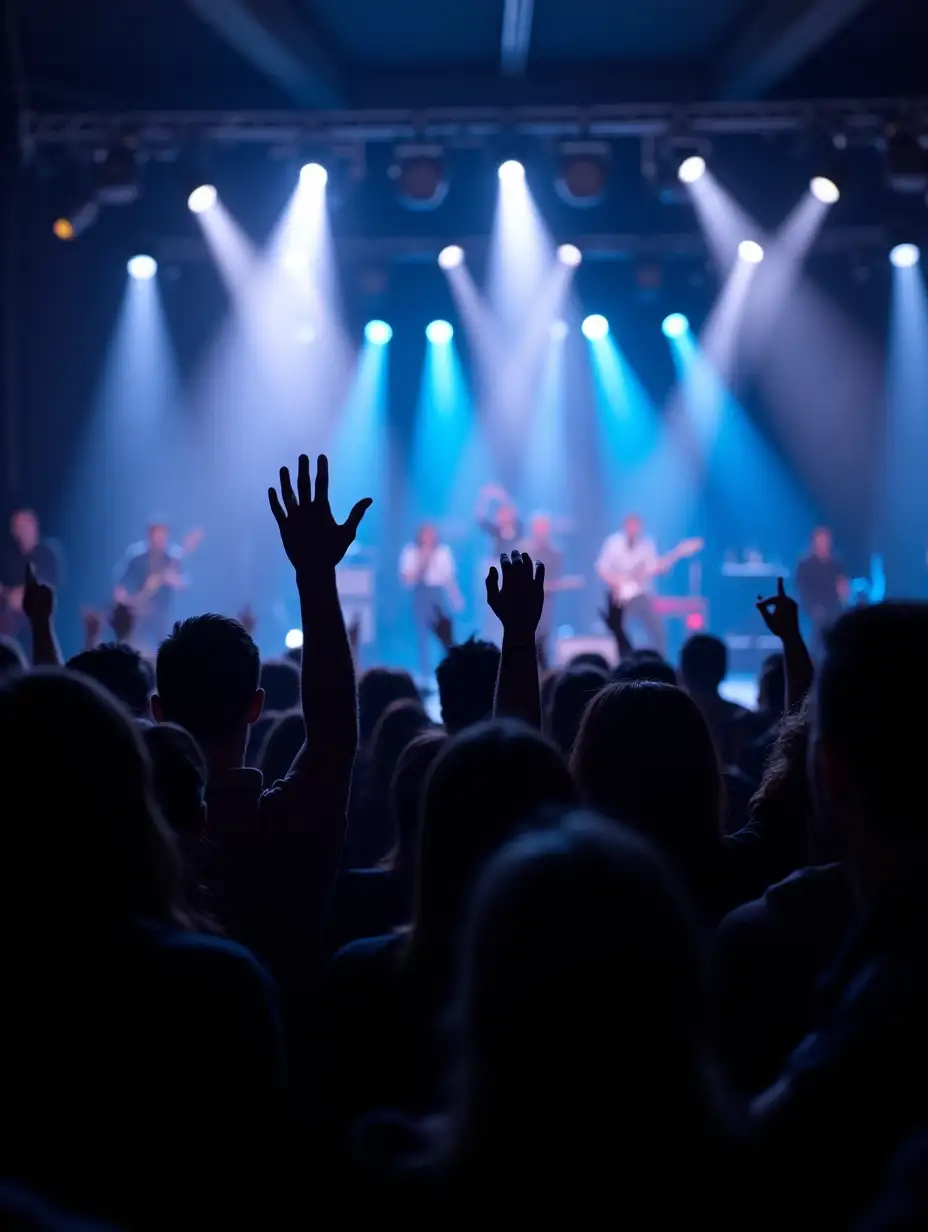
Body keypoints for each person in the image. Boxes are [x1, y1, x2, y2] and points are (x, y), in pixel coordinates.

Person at [595, 513, 667, 655]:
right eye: (630, 526)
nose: (633, 529)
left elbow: (652, 567)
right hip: (618, 596)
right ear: (625, 526)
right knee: (617, 629)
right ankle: (621, 660)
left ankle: (660, 659)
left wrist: (661, 567)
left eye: (636, 526)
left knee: (657, 630)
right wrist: (618, 583)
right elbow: (601, 569)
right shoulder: (613, 543)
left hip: (641, 594)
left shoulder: (647, 544)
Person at [113, 521, 188, 652]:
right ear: (149, 535)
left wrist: (168, 578)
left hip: (161, 613)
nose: (159, 540)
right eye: (156, 535)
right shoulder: (136, 556)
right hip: (138, 613)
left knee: (166, 645)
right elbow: (121, 584)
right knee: (131, 645)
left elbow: (183, 583)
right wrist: (128, 602)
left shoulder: (172, 557)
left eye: (163, 536)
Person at [399, 524, 462, 680]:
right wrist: (424, 558)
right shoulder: (411, 552)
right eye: (425, 534)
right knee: (422, 635)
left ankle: (449, 669)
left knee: (445, 632)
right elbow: (407, 578)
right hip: (421, 593)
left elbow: (449, 578)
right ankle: (425, 672)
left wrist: (456, 597)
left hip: (438, 593)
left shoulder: (443, 552)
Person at [1, 508, 61, 645]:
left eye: (25, 525)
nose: (22, 531)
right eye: (18, 527)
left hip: (40, 620)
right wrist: (9, 594)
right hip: (11, 625)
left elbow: (47, 586)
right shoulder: (7, 557)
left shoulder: (48, 553)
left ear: (35, 526)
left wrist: (20, 594)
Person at [521, 513, 564, 662]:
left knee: (542, 638)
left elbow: (557, 577)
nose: (541, 531)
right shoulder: (523, 549)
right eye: (538, 527)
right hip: (524, 601)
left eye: (544, 527)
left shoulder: (555, 552)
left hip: (546, 601)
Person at [795, 526, 847, 649]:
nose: (824, 544)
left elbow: (841, 583)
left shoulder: (836, 562)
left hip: (832, 604)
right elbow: (801, 588)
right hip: (812, 605)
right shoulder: (805, 564)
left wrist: (844, 595)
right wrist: (812, 606)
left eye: (826, 541)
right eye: (820, 541)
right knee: (817, 627)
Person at [476, 484, 522, 556]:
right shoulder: (495, 530)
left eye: (505, 514)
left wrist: (501, 495)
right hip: (497, 562)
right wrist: (484, 497)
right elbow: (480, 518)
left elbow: (511, 507)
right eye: (500, 515)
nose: (503, 517)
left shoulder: (519, 527)